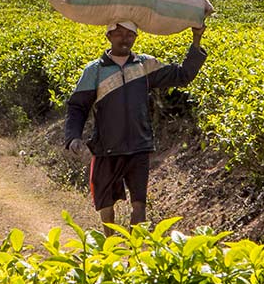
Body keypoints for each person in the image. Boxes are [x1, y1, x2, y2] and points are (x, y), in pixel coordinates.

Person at [64, 21, 206, 234]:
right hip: (107, 146)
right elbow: (78, 107)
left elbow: (182, 75)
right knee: (106, 204)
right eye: (119, 33)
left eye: (130, 34)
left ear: (136, 38)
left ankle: (135, 254)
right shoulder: (94, 70)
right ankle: (110, 249)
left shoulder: (144, 65)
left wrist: (196, 39)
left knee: (139, 204)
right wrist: (73, 136)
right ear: (109, 36)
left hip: (138, 146)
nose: (125, 38)